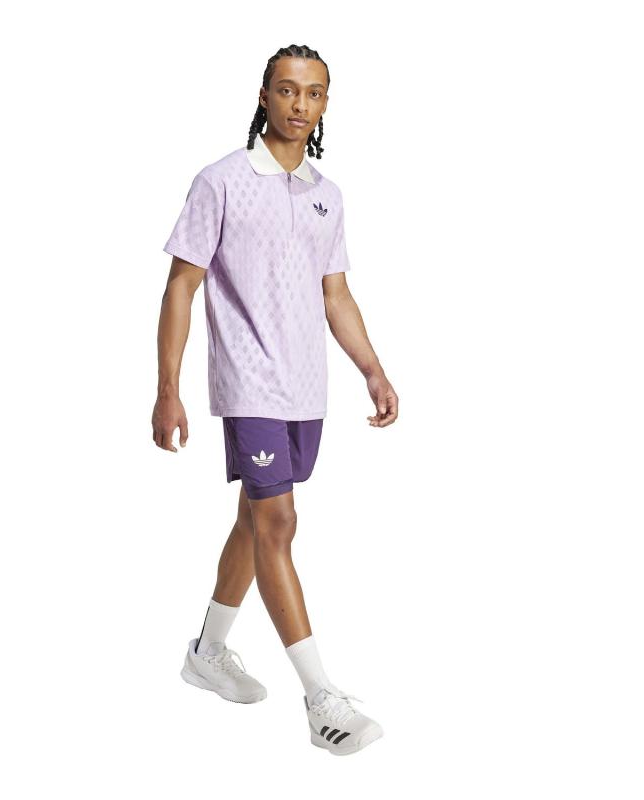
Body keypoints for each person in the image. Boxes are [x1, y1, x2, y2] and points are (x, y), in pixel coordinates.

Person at [152, 44, 398, 756]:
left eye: (313, 93)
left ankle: (207, 652)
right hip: (249, 381)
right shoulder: (221, 181)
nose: (300, 104)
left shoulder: (327, 194)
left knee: (255, 522)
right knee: (279, 522)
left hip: (305, 387)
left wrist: (373, 369)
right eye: (288, 90)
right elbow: (181, 287)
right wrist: (168, 389)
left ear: (325, 104)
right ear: (264, 95)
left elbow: (336, 294)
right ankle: (322, 702)